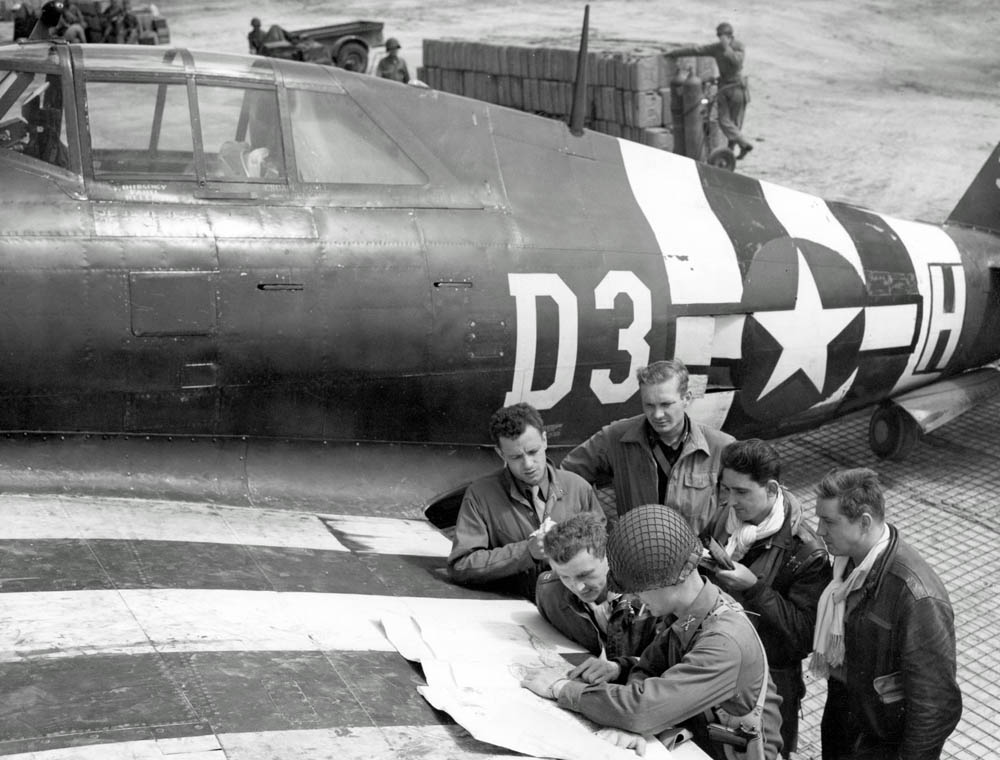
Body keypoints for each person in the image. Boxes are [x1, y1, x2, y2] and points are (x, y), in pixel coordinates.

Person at [522, 504, 783, 759]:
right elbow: (648, 668)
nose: (633, 594)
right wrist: (623, 680)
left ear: (667, 580)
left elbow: (641, 710)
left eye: (637, 586)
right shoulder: (691, 614)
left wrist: (562, 688)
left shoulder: (724, 642)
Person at [811, 468, 961, 760]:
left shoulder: (916, 595)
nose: (818, 531)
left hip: (881, 743)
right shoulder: (846, 566)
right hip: (847, 720)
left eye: (828, 521)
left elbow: (937, 706)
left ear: (864, 522)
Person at [701, 439, 831, 759]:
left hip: (770, 688)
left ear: (772, 489)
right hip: (720, 669)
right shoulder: (726, 518)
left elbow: (803, 636)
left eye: (742, 492)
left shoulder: (806, 552)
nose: (731, 501)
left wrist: (755, 588)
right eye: (726, 489)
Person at [447, 403, 604, 599]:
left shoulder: (578, 488)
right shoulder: (481, 496)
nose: (528, 465)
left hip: (578, 605)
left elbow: (606, 551)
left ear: (545, 440)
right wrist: (526, 552)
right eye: (515, 457)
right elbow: (461, 565)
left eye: (532, 452)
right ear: (500, 454)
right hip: (519, 612)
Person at [561, 359, 734, 534]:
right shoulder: (616, 437)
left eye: (666, 404)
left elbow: (743, 501)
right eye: (649, 405)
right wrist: (595, 525)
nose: (657, 414)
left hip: (696, 556)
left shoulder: (721, 447)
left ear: (686, 398)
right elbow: (565, 476)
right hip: (635, 554)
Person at [535, 512, 659, 676]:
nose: (578, 587)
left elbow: (673, 664)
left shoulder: (657, 596)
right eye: (564, 577)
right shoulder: (549, 593)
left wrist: (620, 668)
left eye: (584, 575)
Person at [665, 21, 754, 160]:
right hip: (724, 89)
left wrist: (727, 48)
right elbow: (696, 50)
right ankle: (743, 144)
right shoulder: (716, 48)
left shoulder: (738, 47)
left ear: (730, 36)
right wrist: (673, 53)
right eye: (719, 37)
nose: (721, 40)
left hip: (737, 89)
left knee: (735, 124)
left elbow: (736, 63)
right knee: (724, 121)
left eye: (723, 37)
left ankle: (732, 152)